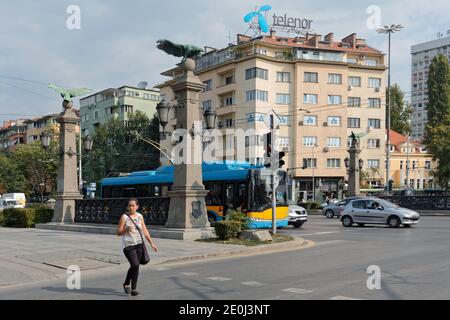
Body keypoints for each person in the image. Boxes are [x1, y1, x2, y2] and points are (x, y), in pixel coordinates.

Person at [117, 198, 158, 296]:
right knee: (135, 264)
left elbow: (145, 230)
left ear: (137, 206)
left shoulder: (140, 216)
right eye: (129, 206)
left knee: (136, 266)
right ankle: (127, 283)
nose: (131, 207)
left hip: (139, 244)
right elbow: (118, 232)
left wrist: (151, 243)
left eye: (133, 205)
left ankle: (133, 289)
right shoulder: (124, 217)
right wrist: (126, 229)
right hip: (128, 245)